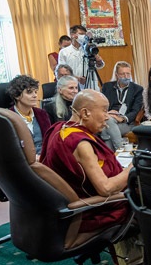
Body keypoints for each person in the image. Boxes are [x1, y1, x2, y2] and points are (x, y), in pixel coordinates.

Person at [42, 90, 130, 232]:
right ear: (85, 113)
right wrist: (132, 168)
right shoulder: (81, 143)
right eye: (105, 111)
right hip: (93, 210)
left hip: (61, 207)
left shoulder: (57, 129)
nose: (107, 117)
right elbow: (105, 188)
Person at [100, 61, 143, 151]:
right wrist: (108, 113)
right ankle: (119, 153)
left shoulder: (137, 89)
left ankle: (115, 153)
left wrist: (123, 118)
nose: (126, 76)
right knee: (109, 123)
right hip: (109, 118)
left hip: (127, 123)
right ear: (116, 75)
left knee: (105, 129)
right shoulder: (107, 86)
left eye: (128, 73)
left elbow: (135, 110)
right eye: (122, 74)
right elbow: (101, 105)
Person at [7, 75, 51, 155]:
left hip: (45, 158)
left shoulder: (42, 114)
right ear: (16, 95)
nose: (35, 95)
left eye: (35, 92)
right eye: (29, 92)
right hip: (23, 162)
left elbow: (50, 141)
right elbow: (11, 149)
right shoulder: (8, 118)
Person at [58, 25, 105, 90]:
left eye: (84, 35)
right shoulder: (64, 52)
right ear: (73, 35)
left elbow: (99, 65)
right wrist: (78, 79)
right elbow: (62, 71)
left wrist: (98, 60)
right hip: (72, 85)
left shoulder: (88, 49)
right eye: (81, 34)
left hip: (90, 84)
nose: (83, 36)